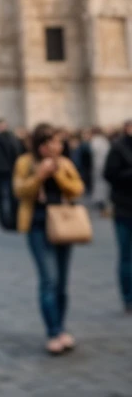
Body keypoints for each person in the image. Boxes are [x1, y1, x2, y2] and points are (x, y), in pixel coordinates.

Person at [13, 123, 85, 355]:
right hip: (37, 225)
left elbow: (77, 189)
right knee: (49, 280)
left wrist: (57, 176)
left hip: (63, 225)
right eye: (55, 142)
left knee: (62, 283)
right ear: (42, 146)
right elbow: (19, 191)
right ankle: (53, 332)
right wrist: (38, 176)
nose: (60, 145)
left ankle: (62, 328)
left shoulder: (64, 163)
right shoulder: (24, 163)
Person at [102, 119, 132, 313]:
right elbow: (109, 174)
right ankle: (129, 298)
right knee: (126, 256)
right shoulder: (118, 147)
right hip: (124, 208)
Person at [0, 118, 23, 230]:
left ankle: (8, 219)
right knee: (8, 195)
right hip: (8, 169)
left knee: (4, 196)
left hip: (3, 170)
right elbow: (15, 151)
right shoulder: (7, 137)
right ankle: (10, 219)